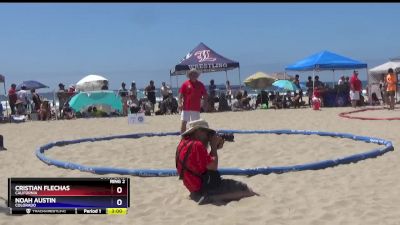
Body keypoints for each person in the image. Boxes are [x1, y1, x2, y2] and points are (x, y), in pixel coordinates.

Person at [176, 119, 256, 205]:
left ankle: (206, 196)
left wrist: (215, 148)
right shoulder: (197, 145)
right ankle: (210, 197)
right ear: (198, 131)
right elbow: (213, 166)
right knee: (244, 189)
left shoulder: (183, 143)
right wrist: (213, 147)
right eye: (207, 133)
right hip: (203, 188)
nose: (208, 136)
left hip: (193, 187)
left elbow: (204, 164)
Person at [178, 69, 208, 134]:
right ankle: (182, 138)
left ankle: (194, 138)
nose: (194, 75)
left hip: (196, 108)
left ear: (197, 75)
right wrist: (179, 103)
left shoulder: (200, 84)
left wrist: (205, 104)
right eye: (192, 74)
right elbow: (180, 95)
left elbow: (205, 95)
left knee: (195, 124)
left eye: (195, 74)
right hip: (186, 108)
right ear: (189, 75)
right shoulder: (185, 84)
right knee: (184, 122)